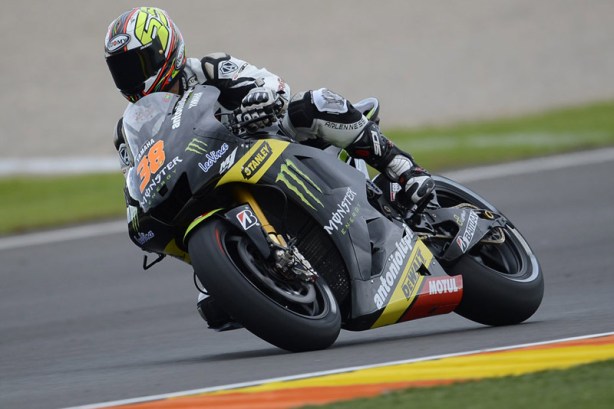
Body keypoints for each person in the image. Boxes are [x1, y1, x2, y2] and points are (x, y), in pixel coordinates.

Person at [104, 7, 435, 331]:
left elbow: (274, 85)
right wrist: (137, 212)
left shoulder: (209, 68)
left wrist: (260, 99)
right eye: (120, 70)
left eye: (136, 64)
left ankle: (404, 169)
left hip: (268, 143)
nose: (130, 77)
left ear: (166, 52)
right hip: (208, 179)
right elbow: (133, 181)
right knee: (212, 306)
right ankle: (257, 271)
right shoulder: (129, 130)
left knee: (312, 104)